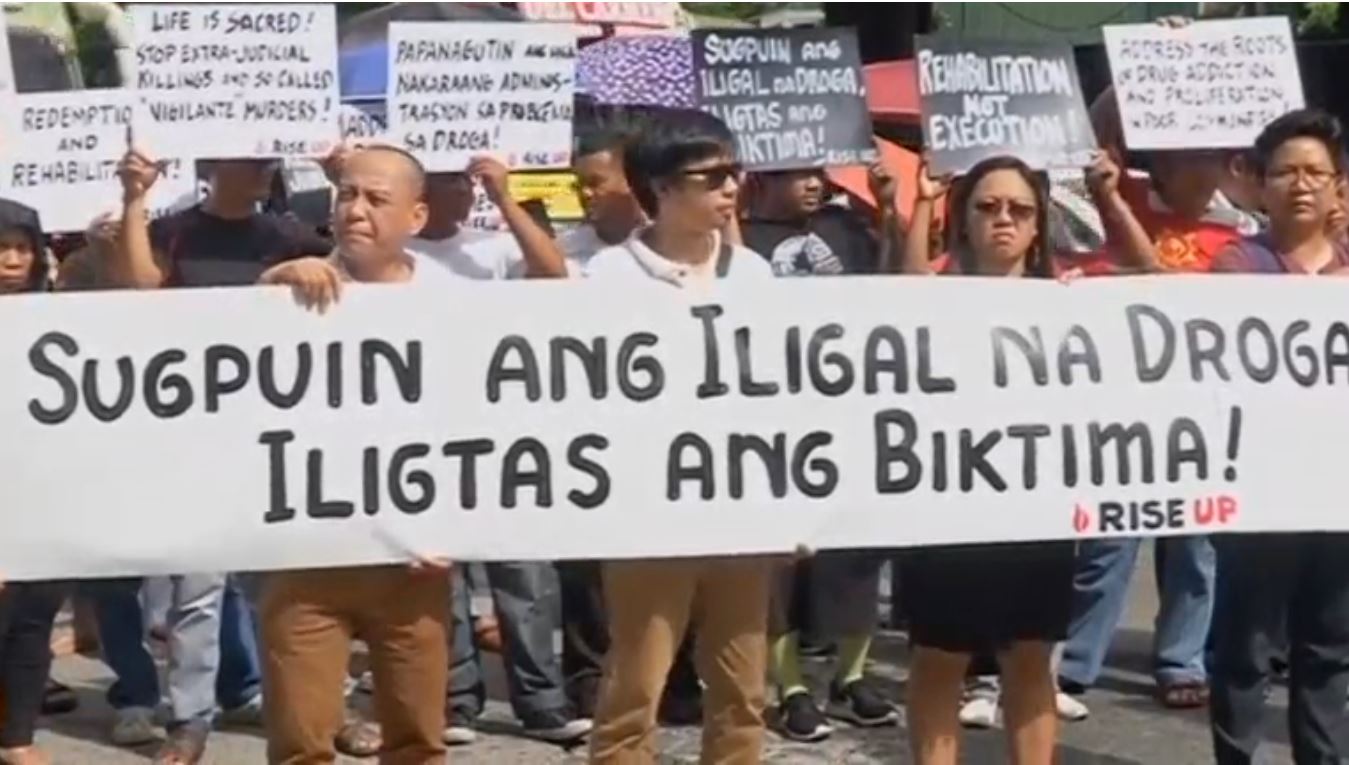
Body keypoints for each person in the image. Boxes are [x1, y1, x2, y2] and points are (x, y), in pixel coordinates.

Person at [104, 144, 322, 763]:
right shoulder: (171, 233)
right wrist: (133, 199)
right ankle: (190, 717)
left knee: (286, 584)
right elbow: (139, 290)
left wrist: (335, 188)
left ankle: (301, 705)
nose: (263, 172)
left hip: (278, 426)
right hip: (195, 431)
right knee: (198, 586)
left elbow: (351, 277)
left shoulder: (289, 235)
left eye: (267, 162)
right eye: (249, 161)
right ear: (211, 170)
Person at [245, 144, 456, 764]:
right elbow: (225, 382)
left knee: (417, 741)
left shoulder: (459, 304)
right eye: (346, 195)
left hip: (416, 561)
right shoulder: (293, 287)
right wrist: (268, 292)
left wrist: (462, 527)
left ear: (416, 218)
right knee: (300, 745)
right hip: (306, 558)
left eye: (376, 199)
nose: (355, 210)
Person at [585, 109, 776, 764]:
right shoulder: (606, 280)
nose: (731, 187)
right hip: (646, 513)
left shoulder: (754, 275)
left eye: (735, 172)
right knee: (634, 688)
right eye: (712, 176)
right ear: (662, 188)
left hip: (739, 511)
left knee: (742, 689)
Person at [897, 154, 1088, 765]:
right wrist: (922, 202)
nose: (1003, 220)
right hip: (944, 501)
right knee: (939, 655)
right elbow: (895, 312)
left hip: (1035, 505)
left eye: (1019, 209)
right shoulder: (935, 297)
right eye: (986, 206)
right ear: (963, 219)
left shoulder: (1069, 303)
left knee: (1031, 653)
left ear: (1038, 227)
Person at [739, 165, 902, 742]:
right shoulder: (740, 235)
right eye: (797, 174)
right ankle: (793, 688)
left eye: (818, 173)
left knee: (857, 554)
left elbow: (891, 288)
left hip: (849, 413)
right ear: (762, 177)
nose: (813, 183)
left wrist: (888, 212)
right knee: (783, 565)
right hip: (774, 420)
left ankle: (850, 677)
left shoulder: (847, 227)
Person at [1207, 108, 1349, 765]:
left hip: (1337, 491)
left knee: (1327, 647)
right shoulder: (1237, 264)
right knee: (1244, 645)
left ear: (1336, 185)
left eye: (1315, 172)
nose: (1300, 184)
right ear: (1259, 185)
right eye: (1285, 171)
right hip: (1259, 490)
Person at [0, 198, 69, 765]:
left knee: (32, 623)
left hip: (43, 492)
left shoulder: (61, 317)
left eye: (21, 249)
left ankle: (16, 737)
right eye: (0, 250)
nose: (11, 261)